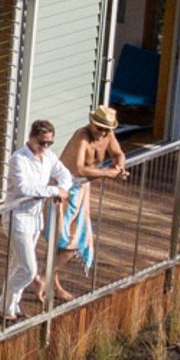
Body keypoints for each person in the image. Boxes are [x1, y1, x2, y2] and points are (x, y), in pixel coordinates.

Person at [0, 119, 74, 323]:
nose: (45, 147)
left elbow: (65, 175)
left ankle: (9, 307)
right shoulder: (19, 159)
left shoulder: (48, 157)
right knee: (29, 268)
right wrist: (53, 190)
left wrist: (63, 189)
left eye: (49, 143)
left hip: (35, 218)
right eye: (42, 143)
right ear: (32, 138)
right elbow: (25, 188)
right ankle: (6, 307)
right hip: (18, 218)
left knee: (18, 264)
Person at [53, 105, 131, 285]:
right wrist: (107, 173)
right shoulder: (82, 136)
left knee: (76, 240)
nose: (102, 133)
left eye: (107, 129)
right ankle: (44, 277)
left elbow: (118, 153)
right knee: (68, 242)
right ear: (91, 123)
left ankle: (49, 281)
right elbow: (79, 169)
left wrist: (119, 166)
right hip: (66, 191)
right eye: (100, 128)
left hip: (81, 190)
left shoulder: (108, 135)